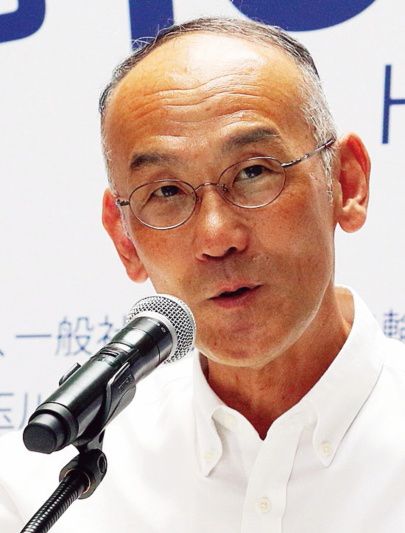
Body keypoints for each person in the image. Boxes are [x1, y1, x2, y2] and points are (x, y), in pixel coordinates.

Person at [1, 17, 405, 533]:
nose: (217, 237)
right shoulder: (43, 489)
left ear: (346, 183)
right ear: (125, 238)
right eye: (165, 192)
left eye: (254, 172)